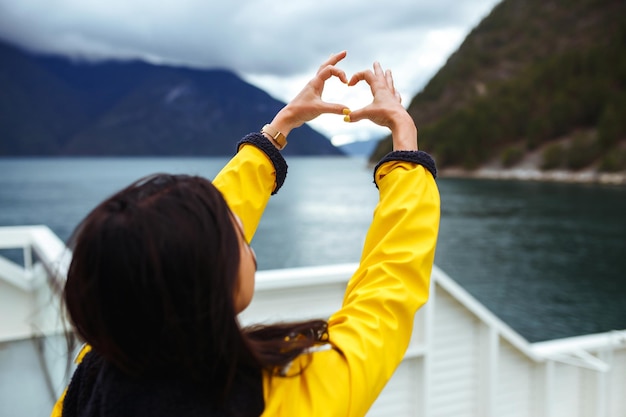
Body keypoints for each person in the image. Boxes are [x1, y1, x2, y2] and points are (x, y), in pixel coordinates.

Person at [50, 51, 440, 417]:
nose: (248, 244)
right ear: (207, 281)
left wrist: (278, 130)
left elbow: (186, 237)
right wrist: (405, 146)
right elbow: (388, 291)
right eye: (238, 238)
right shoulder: (286, 396)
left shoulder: (91, 379)